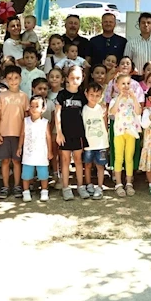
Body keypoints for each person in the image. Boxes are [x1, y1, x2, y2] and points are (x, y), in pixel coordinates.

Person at [0, 66, 29, 199]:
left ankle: (17, 185)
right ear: (5, 80)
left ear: (20, 78)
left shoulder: (24, 96)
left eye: (15, 78)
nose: (13, 81)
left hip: (19, 134)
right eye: (10, 78)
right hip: (4, 134)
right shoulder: (2, 96)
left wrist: (25, 134)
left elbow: (26, 117)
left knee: (16, 161)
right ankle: (5, 186)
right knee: (5, 161)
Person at [56, 66, 88, 200]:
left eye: (78, 78)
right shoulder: (62, 95)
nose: (75, 80)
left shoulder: (83, 96)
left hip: (79, 133)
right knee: (65, 160)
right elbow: (57, 113)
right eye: (72, 78)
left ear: (82, 78)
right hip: (65, 133)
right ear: (67, 78)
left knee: (78, 159)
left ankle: (80, 186)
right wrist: (59, 132)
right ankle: (65, 187)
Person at [109, 74, 142, 197]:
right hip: (119, 132)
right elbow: (112, 112)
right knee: (119, 158)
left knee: (129, 158)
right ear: (117, 85)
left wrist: (134, 98)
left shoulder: (133, 99)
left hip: (131, 132)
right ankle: (118, 184)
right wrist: (119, 98)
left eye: (128, 83)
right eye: (123, 83)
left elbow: (138, 111)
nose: (126, 86)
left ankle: (129, 183)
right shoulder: (114, 100)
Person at [19, 96, 51, 203]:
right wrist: (19, 147)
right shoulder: (25, 121)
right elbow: (22, 134)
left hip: (41, 153)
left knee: (43, 174)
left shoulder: (45, 122)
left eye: (37, 106)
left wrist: (50, 151)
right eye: (31, 106)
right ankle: (26, 191)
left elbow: (48, 138)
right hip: (28, 154)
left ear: (43, 109)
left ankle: (44, 191)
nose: (33, 109)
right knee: (26, 174)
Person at [82, 82, 108, 200]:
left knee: (100, 166)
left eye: (97, 95)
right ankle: (89, 184)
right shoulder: (84, 109)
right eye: (91, 94)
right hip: (88, 144)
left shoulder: (102, 109)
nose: (94, 97)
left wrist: (106, 141)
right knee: (87, 165)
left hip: (101, 143)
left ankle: (100, 187)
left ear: (101, 96)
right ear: (86, 94)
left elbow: (105, 125)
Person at [124, 12, 151, 78]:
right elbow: (126, 63)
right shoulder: (131, 43)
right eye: (143, 23)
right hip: (136, 78)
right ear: (139, 25)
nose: (146, 25)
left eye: (148, 23)